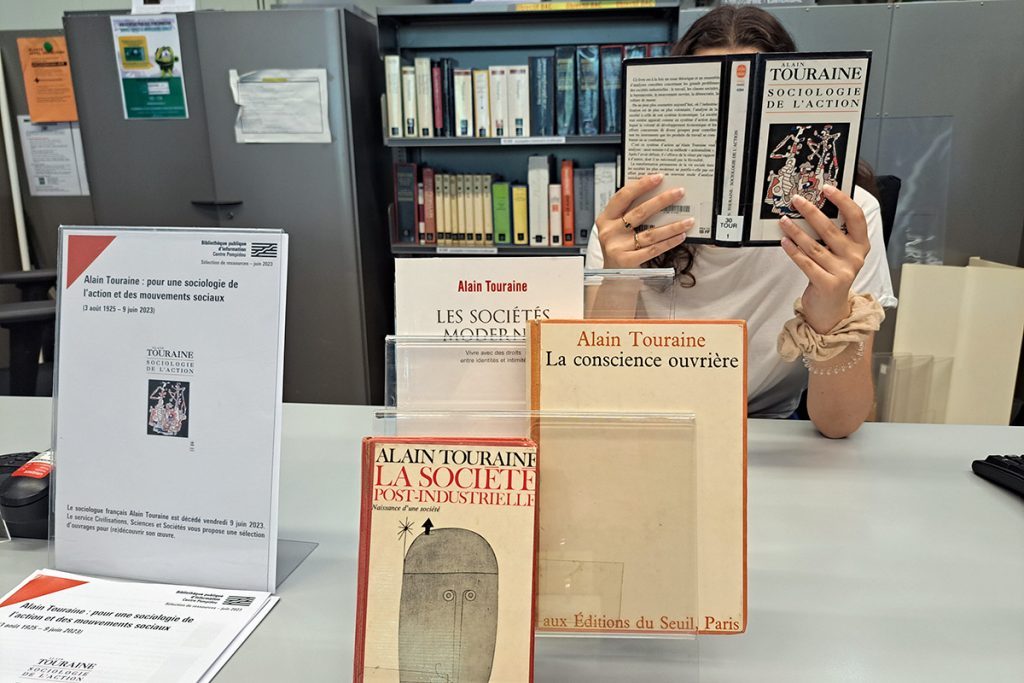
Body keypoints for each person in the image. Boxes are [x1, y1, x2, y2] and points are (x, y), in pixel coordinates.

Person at [586, 5, 896, 438]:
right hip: (651, 426)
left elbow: (839, 423)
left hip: (768, 430)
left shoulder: (848, 218)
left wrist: (830, 313)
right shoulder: (627, 217)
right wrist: (620, 279)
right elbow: (595, 392)